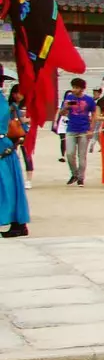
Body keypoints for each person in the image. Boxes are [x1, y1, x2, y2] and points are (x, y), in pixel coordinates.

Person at [0, 71, 29, 237]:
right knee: (11, 185)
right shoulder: (4, 100)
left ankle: (17, 222)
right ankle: (19, 223)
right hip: (5, 144)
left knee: (7, 186)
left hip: (2, 145)